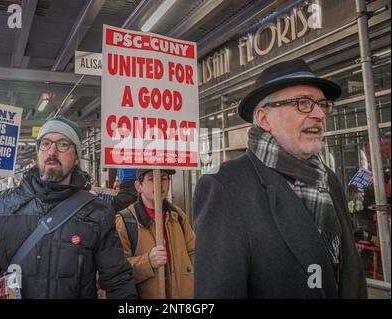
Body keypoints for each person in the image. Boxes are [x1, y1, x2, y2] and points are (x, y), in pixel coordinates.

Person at [193, 59, 367, 298]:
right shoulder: (225, 187)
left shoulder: (329, 180)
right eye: (302, 103)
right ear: (265, 119)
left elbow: (350, 276)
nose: (319, 114)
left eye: (322, 104)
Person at [0, 116, 137, 299]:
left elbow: (118, 281)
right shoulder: (1, 206)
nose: (52, 151)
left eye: (63, 144)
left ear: (76, 157)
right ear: (38, 152)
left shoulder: (98, 213)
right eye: (45, 143)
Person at [115, 169, 195, 299]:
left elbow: (193, 251)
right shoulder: (125, 221)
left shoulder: (178, 215)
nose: (159, 184)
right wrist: (148, 261)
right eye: (152, 179)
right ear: (138, 186)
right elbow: (117, 271)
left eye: (164, 178)